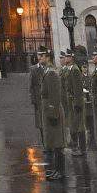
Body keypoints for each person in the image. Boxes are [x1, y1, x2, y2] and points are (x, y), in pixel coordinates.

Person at [30, 47, 65, 176]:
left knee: (57, 143)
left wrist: (53, 112)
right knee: (53, 141)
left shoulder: (51, 73)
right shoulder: (47, 71)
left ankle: (60, 171)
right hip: (48, 111)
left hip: (52, 111)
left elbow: (55, 95)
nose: (39, 58)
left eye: (42, 56)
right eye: (39, 56)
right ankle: (56, 169)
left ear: (48, 57)